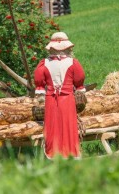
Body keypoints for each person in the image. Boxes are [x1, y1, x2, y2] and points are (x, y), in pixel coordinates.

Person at [34, 31, 86, 159]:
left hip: (51, 98)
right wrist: (78, 89)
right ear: (67, 47)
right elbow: (79, 78)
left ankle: (53, 153)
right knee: (68, 125)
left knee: (53, 125)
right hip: (67, 98)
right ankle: (70, 152)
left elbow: (39, 80)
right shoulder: (73, 63)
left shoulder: (44, 63)